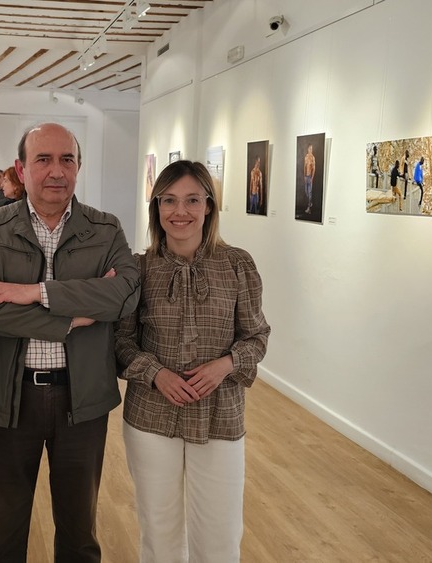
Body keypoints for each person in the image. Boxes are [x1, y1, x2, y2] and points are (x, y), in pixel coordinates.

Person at [0, 122, 140, 562]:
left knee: (80, 534)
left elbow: (125, 294)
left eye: (67, 159)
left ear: (79, 167)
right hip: (10, 396)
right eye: (43, 159)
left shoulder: (105, 227)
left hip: (82, 398)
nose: (56, 170)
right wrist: (73, 318)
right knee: (3, 535)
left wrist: (35, 293)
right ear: (21, 170)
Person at [115, 160, 270, 563]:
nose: (179, 211)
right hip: (151, 417)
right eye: (169, 200)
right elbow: (121, 342)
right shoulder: (139, 268)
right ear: (156, 208)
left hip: (220, 416)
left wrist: (225, 365)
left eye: (191, 200)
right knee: (159, 530)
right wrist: (156, 374)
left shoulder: (238, 264)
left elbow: (256, 336)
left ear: (209, 207)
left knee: (220, 534)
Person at [303, 144, 316, 214]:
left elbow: (314, 169)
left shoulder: (313, 158)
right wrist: (304, 176)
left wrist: (312, 178)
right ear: (308, 149)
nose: (311, 150)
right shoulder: (306, 157)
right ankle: (310, 203)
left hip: (310, 177)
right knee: (306, 192)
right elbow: (304, 166)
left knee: (310, 192)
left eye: (312, 149)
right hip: (306, 177)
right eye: (310, 149)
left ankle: (309, 208)